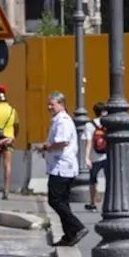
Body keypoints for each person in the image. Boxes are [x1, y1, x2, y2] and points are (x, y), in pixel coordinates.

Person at [38, 91, 86, 247]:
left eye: (52, 104)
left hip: (62, 167)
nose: (49, 107)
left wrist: (46, 147)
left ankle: (77, 227)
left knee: (55, 200)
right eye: (49, 104)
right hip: (60, 167)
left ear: (61, 104)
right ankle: (69, 235)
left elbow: (62, 142)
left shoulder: (63, 121)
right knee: (63, 201)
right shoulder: (58, 120)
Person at [82, 102, 108, 212]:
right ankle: (108, 202)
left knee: (93, 180)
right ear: (103, 112)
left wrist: (86, 157)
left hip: (94, 158)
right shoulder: (108, 124)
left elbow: (88, 142)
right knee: (110, 179)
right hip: (107, 156)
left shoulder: (89, 125)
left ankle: (93, 203)